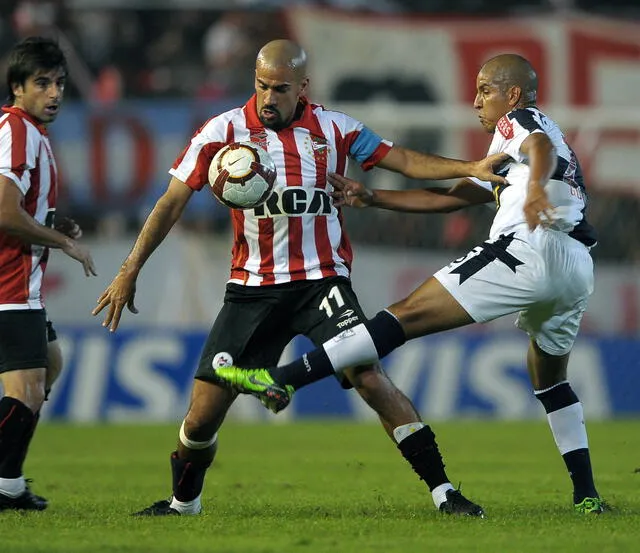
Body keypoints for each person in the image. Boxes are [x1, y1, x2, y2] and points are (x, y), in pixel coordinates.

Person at [93, 39, 507, 518]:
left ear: (302, 88)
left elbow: (405, 161)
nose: (269, 97)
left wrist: (471, 167)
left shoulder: (335, 128)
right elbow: (170, 201)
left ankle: (444, 493)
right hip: (251, 290)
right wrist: (130, 269)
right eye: (262, 86)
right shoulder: (221, 132)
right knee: (203, 412)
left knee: (368, 375)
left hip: (321, 282)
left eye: (280, 89)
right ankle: (184, 503)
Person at [214, 53, 605, 515]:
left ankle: (281, 379)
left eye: (485, 89)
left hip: (531, 248)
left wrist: (536, 187)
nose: (476, 99)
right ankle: (587, 496)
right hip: (576, 268)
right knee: (550, 380)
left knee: (403, 316)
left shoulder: (522, 121)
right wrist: (373, 197)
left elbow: (539, 144)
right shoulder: (509, 162)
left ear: (513, 94)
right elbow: (449, 199)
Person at [0, 37, 96, 512]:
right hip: (5, 282)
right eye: (41, 83)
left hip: (21, 283)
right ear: (18, 87)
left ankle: (9, 483)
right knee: (26, 388)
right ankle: (3, 484)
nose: (55, 92)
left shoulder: (31, 132)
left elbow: (20, 210)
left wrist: (52, 225)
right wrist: (63, 242)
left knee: (49, 364)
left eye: (59, 83)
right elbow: (3, 212)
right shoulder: (17, 130)